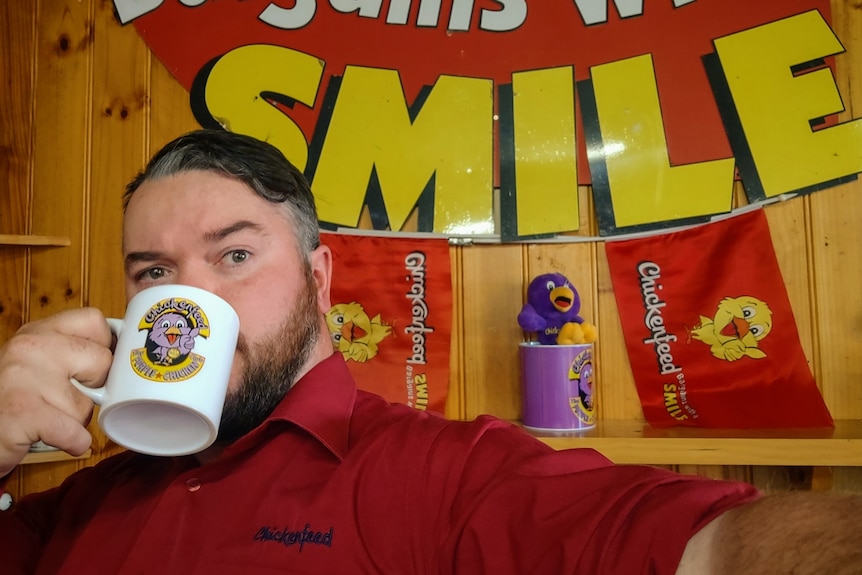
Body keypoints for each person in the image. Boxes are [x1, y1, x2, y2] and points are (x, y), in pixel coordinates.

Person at [0, 129, 859, 575]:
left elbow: (697, 545)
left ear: (319, 278)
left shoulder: (440, 478)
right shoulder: (79, 501)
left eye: (234, 255)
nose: (194, 299)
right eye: (154, 272)